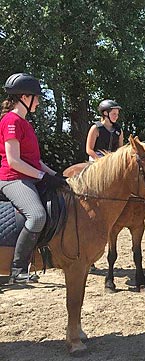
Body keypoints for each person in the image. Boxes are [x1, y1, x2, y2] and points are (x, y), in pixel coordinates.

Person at [0, 73, 68, 284]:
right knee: (37, 216)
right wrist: (41, 176)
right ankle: (18, 269)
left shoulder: (26, 123)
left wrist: (55, 175)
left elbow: (35, 161)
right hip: (12, 178)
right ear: (24, 97)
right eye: (36, 97)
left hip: (29, 176)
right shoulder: (11, 121)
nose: (38, 101)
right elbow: (14, 161)